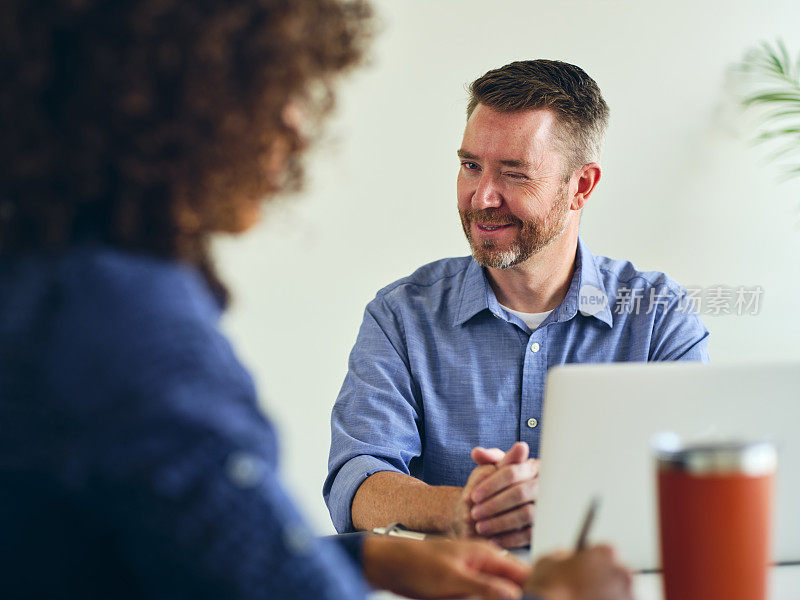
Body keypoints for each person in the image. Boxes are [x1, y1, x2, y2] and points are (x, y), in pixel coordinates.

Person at [0, 1, 634, 599]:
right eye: (274, 94)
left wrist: (378, 558)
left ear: (581, 186)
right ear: (177, 107)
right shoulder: (129, 326)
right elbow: (289, 579)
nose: (298, 129)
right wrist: (553, 589)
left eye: (515, 172)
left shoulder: (49, 282)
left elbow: (184, 554)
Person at [324, 59, 711, 548]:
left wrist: (557, 495)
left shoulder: (658, 315)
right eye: (470, 166)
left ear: (581, 186)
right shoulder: (401, 315)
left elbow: (698, 485)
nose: (482, 196)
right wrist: (464, 509)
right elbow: (358, 479)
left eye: (514, 174)